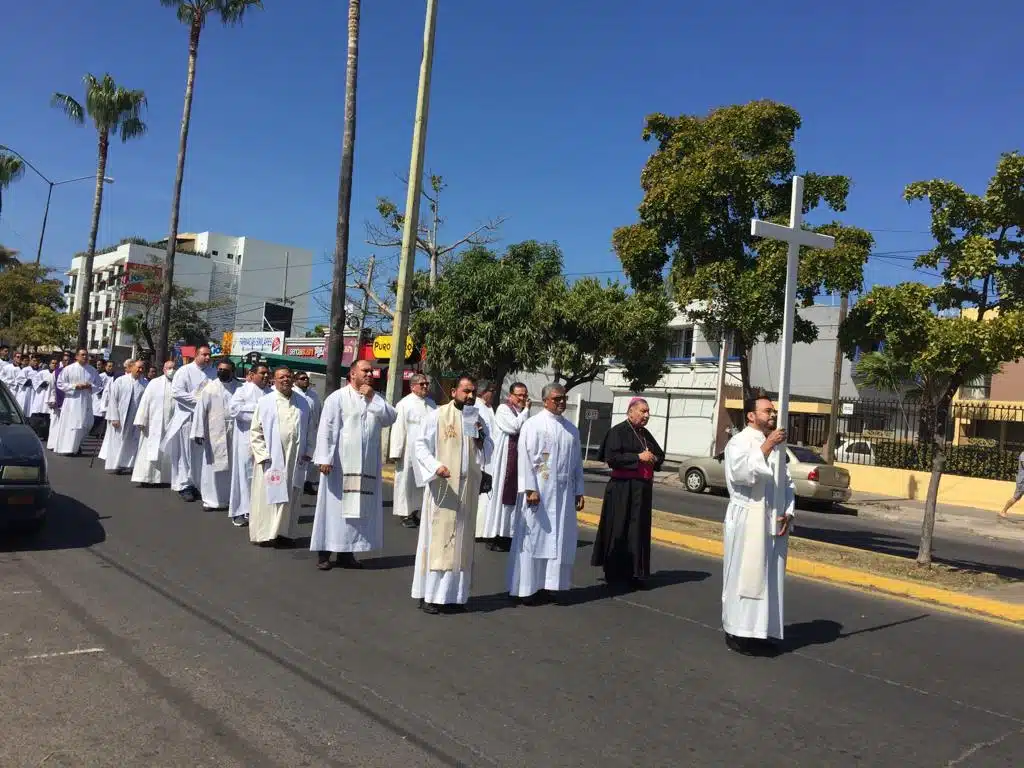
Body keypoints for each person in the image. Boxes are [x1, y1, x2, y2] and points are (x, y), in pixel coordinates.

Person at [411, 374, 492, 614]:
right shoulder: (437, 415)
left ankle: (455, 596)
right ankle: (431, 596)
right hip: (444, 487)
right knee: (440, 541)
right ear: (454, 391)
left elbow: (486, 452)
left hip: (467, 490)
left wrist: (480, 437)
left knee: (462, 544)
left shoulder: (475, 418)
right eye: (466, 391)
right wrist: (436, 466)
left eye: (473, 392)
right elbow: (419, 445)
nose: (470, 396)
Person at [722, 395, 794, 656]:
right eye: (767, 411)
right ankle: (737, 632)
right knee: (744, 576)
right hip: (747, 517)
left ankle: (762, 631)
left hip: (772, 520)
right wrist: (767, 446)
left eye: (773, 411)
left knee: (769, 577)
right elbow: (742, 475)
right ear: (751, 415)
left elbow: (786, 483)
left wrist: (788, 512)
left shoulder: (778, 448)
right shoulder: (738, 443)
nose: (772, 415)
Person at [309, 360, 398, 570]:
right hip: (340, 465)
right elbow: (327, 428)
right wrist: (324, 458)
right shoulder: (337, 398)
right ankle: (324, 553)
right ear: (352, 374)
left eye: (371, 371)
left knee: (357, 512)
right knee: (334, 510)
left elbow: (390, 417)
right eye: (365, 371)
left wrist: (372, 397)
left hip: (365, 467)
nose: (369, 374)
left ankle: (346, 553)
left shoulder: (375, 398)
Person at [507, 383, 585, 604]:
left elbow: (576, 463)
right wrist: (530, 488)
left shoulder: (572, 430)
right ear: (545, 400)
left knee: (559, 539)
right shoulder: (534, 425)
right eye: (557, 398)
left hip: (563, 495)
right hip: (540, 491)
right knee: (535, 538)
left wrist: (579, 490)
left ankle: (550, 585)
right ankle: (527, 588)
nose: (562, 402)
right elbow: (525, 459)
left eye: (564, 398)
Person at [590, 397, 665, 589]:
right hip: (622, 487)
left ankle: (635, 573)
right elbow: (612, 458)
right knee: (619, 528)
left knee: (638, 530)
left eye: (648, 412)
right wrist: (638, 457)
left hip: (642, 490)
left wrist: (653, 458)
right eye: (643, 411)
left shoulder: (644, 433)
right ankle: (614, 573)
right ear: (631, 411)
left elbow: (659, 456)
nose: (646, 415)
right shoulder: (618, 431)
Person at [248, 367, 314, 547]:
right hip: (272, 459)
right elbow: (255, 431)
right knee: (269, 496)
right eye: (281, 377)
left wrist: (308, 452)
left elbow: (310, 429)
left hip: (295, 458)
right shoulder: (265, 402)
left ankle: (285, 533)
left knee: (291, 495)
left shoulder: (303, 402)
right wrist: (262, 455)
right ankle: (266, 534)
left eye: (288, 376)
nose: (285, 379)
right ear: (274, 380)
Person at [477, 382, 530, 551]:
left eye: (524, 395)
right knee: (501, 496)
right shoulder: (503, 409)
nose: (522, 398)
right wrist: (527, 411)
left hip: (517, 460)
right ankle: (495, 535)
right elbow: (514, 427)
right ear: (511, 396)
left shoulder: (521, 412)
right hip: (505, 461)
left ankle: (507, 534)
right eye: (519, 395)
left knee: (513, 499)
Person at [166, 344, 215, 502]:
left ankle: (199, 484)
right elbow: (177, 393)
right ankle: (185, 484)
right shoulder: (184, 371)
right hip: (188, 418)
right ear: (196, 355)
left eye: (209, 355)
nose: (207, 358)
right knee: (186, 452)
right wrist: (199, 402)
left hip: (206, 419)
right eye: (204, 355)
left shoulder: (213, 373)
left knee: (201, 454)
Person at [388, 373, 436, 528]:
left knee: (422, 483)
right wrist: (396, 452)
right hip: (409, 450)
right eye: (421, 384)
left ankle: (417, 511)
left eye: (426, 384)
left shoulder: (431, 404)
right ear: (413, 386)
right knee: (406, 482)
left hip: (427, 451)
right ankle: (405, 513)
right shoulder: (404, 404)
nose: (425, 386)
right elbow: (398, 428)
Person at [191, 359, 239, 511]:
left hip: (235, 432)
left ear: (233, 371)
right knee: (213, 466)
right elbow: (200, 411)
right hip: (214, 432)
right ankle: (211, 500)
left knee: (232, 465)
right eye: (219, 369)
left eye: (225, 370)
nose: (221, 372)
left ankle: (232, 499)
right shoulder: (209, 388)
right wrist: (198, 432)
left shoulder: (240, 388)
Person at [228, 364, 271, 527]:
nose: (266, 376)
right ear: (251, 375)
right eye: (262, 373)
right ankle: (241, 510)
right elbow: (234, 410)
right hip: (246, 439)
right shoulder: (242, 390)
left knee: (262, 475)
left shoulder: (272, 393)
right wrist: (259, 410)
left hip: (265, 441)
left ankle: (258, 510)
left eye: (267, 373)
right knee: (244, 475)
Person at [132, 360, 178, 487]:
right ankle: (146, 477)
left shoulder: (179, 384)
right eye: (168, 368)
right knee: (149, 449)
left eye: (173, 368)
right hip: (154, 424)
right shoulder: (154, 383)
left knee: (168, 451)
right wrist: (141, 420)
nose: (171, 370)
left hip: (171, 424)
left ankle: (166, 478)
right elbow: (145, 402)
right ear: (163, 369)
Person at [99, 360, 146, 474]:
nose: (140, 370)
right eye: (138, 367)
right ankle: (115, 465)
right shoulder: (120, 381)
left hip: (134, 418)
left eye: (142, 368)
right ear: (132, 367)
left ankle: (127, 464)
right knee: (117, 441)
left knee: (131, 441)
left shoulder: (145, 384)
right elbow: (113, 400)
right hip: (119, 417)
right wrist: (114, 417)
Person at [53, 349, 101, 456]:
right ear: (77, 356)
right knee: (72, 424)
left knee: (87, 424)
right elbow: (60, 383)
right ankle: (68, 448)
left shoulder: (92, 370)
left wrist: (90, 386)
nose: (85, 357)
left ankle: (77, 445)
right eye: (82, 355)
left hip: (86, 401)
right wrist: (74, 386)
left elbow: (99, 385)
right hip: (72, 401)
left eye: (86, 355)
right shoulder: (69, 369)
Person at [293, 371, 322, 495]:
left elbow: (319, 412)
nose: (305, 380)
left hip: (313, 431)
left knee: (312, 458)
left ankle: (308, 482)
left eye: (306, 378)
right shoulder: (293, 394)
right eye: (302, 378)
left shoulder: (313, 395)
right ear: (296, 380)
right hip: (298, 431)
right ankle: (295, 481)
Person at [29, 357, 55, 439]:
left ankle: (46, 435)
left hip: (50, 397)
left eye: (55, 363)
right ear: (49, 364)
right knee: (37, 415)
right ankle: (35, 433)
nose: (54, 365)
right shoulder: (42, 372)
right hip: (41, 396)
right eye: (52, 363)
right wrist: (41, 383)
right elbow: (35, 380)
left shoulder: (57, 374)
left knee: (48, 417)